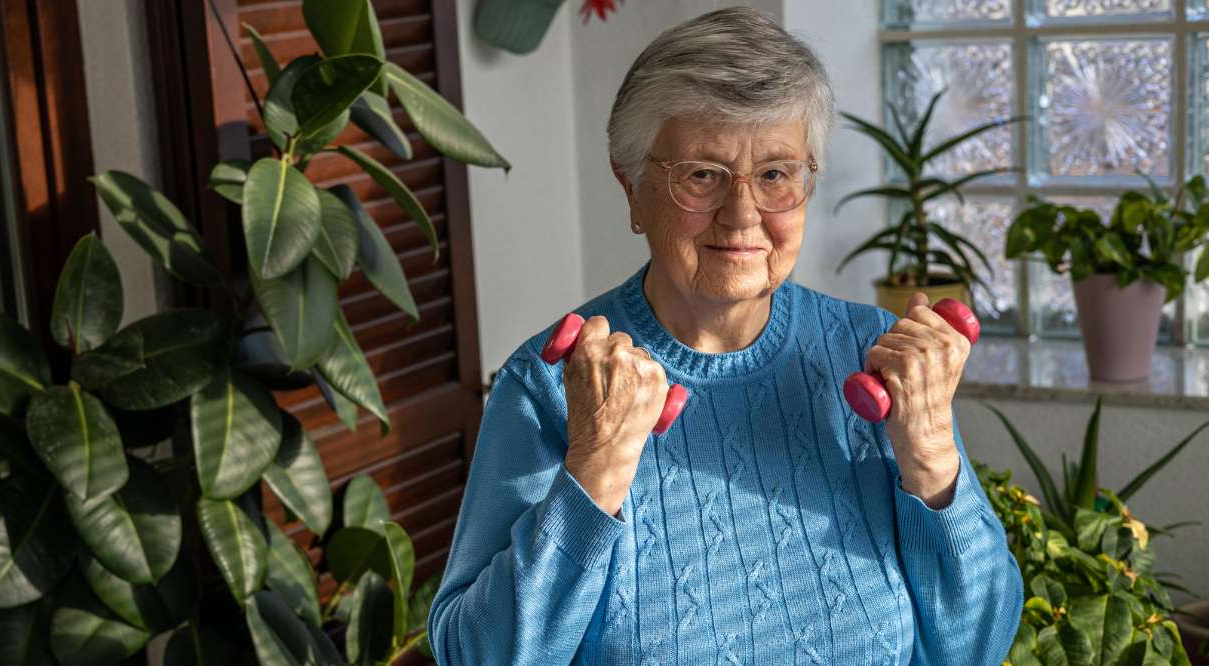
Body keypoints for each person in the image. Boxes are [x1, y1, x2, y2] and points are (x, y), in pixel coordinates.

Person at [427, 7, 1022, 664]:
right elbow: (472, 654)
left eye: (774, 174)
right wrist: (594, 469)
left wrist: (934, 454)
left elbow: (978, 645)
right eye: (702, 175)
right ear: (631, 189)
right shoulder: (552, 384)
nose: (743, 215)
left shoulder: (871, 356)